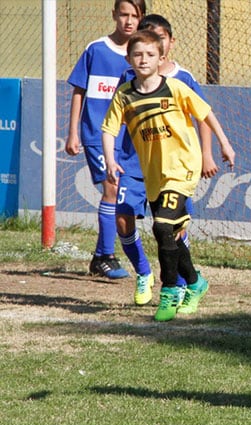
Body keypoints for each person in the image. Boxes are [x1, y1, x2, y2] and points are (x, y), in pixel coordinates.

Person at [101, 30, 235, 322]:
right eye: (137, 54)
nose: (143, 59)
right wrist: (111, 160)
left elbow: (205, 113)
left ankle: (170, 291)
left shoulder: (174, 88)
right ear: (129, 58)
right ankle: (196, 282)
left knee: (162, 227)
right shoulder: (124, 95)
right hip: (153, 175)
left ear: (161, 58)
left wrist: (224, 144)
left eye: (150, 55)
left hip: (183, 168)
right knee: (169, 233)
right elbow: (109, 128)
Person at [66, 0, 147, 279]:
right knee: (111, 188)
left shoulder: (143, 55)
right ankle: (106, 256)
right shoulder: (96, 49)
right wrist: (73, 132)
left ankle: (100, 256)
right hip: (96, 134)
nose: (128, 20)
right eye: (123, 14)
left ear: (141, 18)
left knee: (121, 194)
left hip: (126, 140)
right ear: (113, 15)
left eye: (134, 15)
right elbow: (79, 91)